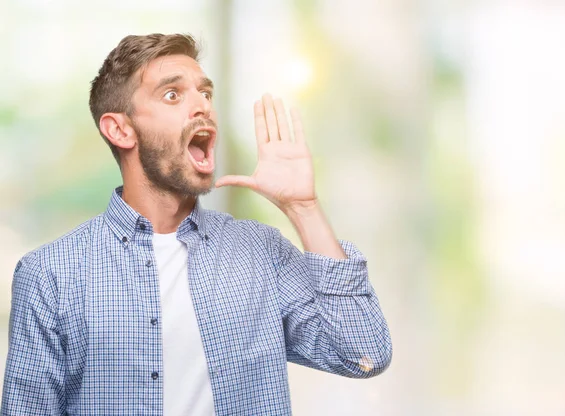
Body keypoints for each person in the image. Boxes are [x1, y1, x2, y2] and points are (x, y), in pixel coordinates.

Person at [1, 33, 392, 415]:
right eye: (173, 95)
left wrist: (303, 208)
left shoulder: (261, 252)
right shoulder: (51, 275)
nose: (202, 106)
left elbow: (364, 354)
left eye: (205, 93)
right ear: (120, 129)